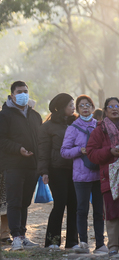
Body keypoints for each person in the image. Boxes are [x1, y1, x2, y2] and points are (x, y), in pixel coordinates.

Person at [61, 95, 106, 254]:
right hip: (81, 176)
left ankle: (100, 244)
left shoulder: (100, 126)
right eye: (81, 105)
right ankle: (84, 243)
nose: (85, 108)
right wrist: (79, 150)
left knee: (99, 211)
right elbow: (64, 152)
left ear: (93, 108)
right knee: (82, 210)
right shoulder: (72, 128)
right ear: (78, 109)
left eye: (88, 105)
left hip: (98, 174)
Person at [0, 81, 42, 250]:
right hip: (13, 165)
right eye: (19, 92)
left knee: (25, 202)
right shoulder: (4, 115)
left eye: (25, 91)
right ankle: (15, 236)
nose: (23, 94)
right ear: (12, 95)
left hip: (32, 166)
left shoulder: (35, 116)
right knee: (14, 201)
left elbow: (41, 139)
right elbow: (2, 140)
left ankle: (23, 235)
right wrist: (18, 149)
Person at [87, 97, 119, 257]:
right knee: (111, 213)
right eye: (110, 106)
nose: (114, 109)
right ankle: (113, 247)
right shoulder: (99, 130)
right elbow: (91, 153)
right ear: (105, 111)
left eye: (117, 106)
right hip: (108, 177)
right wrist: (108, 151)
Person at [38, 93, 78, 249]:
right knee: (60, 204)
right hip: (56, 170)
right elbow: (43, 151)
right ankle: (52, 242)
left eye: (73, 104)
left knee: (74, 205)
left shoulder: (76, 123)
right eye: (70, 105)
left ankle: (72, 242)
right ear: (61, 107)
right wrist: (44, 171)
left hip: (75, 170)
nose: (73, 108)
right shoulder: (47, 127)